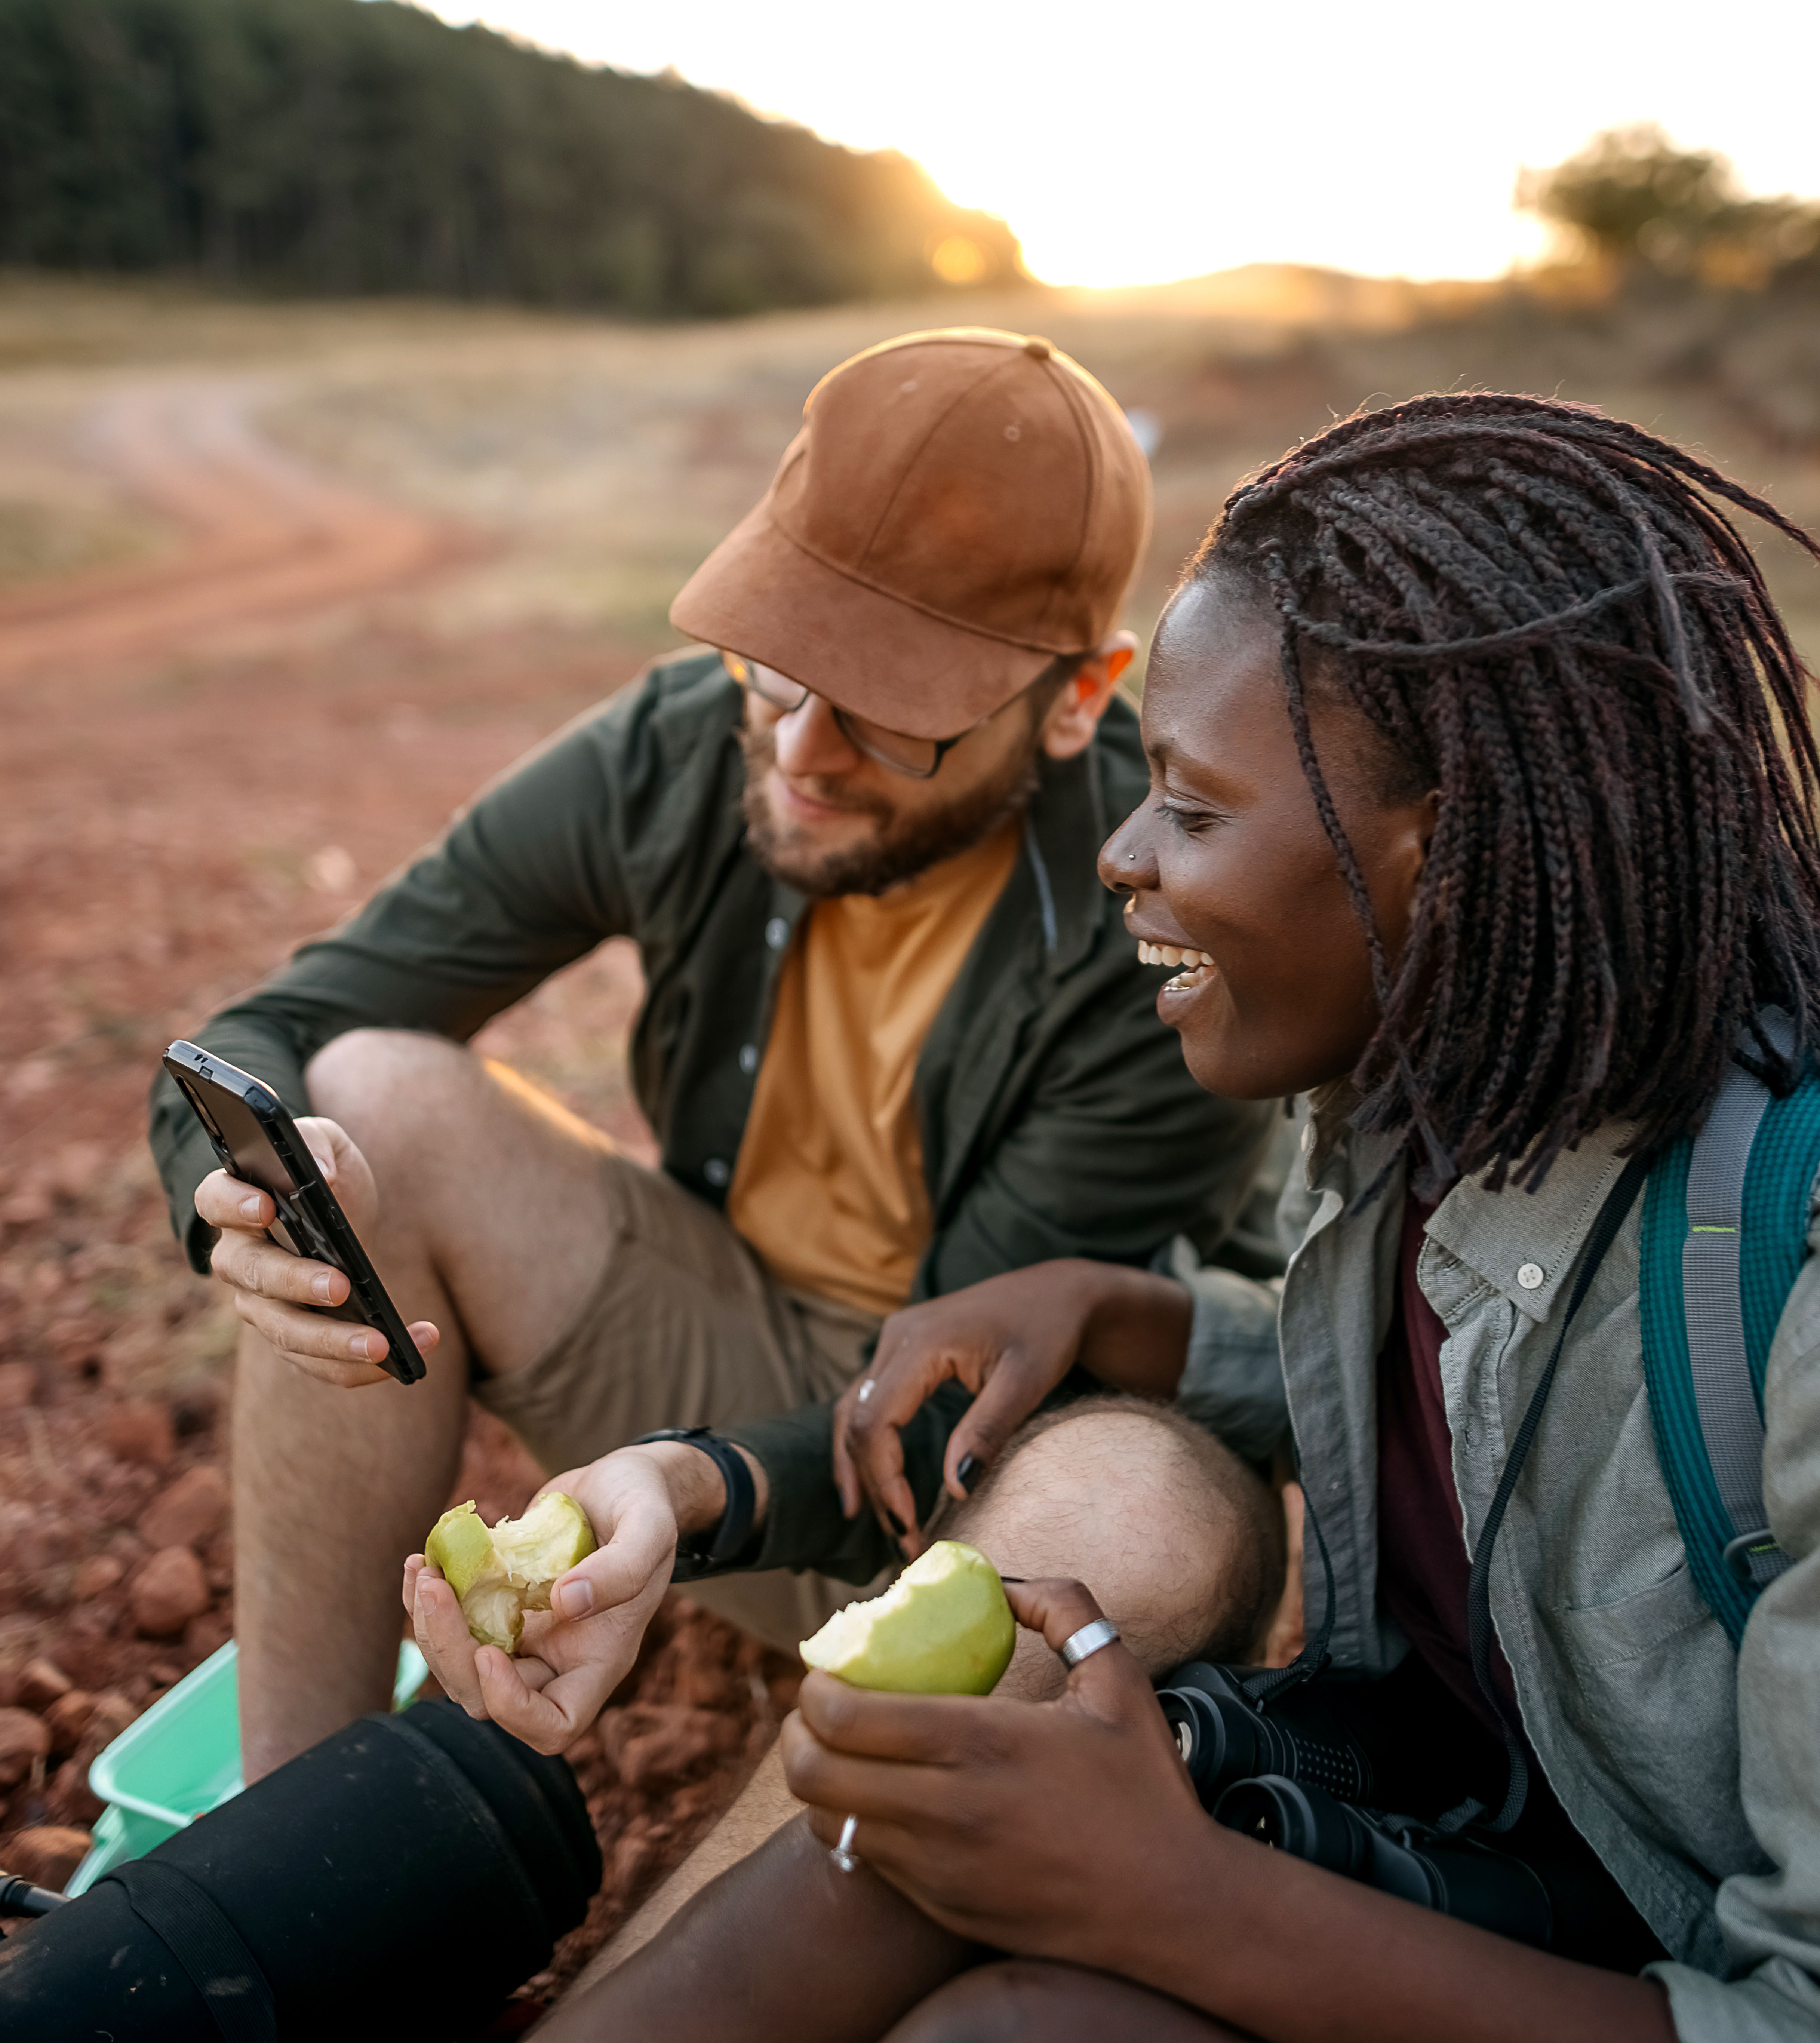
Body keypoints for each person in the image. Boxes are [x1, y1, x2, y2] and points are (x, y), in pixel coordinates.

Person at [534, 393, 1820, 2040]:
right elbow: (1504, 1394)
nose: (1122, 851)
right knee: (928, 1827)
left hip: (1666, 1960)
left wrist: (1179, 1902)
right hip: (1479, 1844)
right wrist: (1143, 1318)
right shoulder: (1442, 1088)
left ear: (1443, 856)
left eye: (1187, 803)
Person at [148, 327, 1277, 1782]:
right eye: (776, 658)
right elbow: (286, 1023)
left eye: (889, 709)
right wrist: (228, 1202)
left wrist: (689, 1485)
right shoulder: (686, 748)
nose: (801, 748)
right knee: (364, 1101)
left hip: (979, 1479)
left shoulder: (1151, 925)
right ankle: (278, 1836)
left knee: (1127, 1509)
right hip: (737, 1347)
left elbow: (957, 1428)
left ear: (1076, 694)